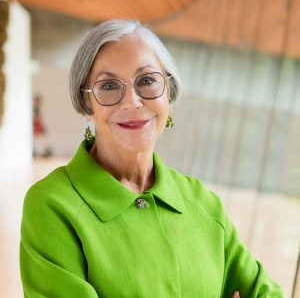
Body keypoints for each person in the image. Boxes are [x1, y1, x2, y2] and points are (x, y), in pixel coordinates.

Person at [20, 19, 283, 297]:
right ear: (87, 104)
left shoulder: (203, 203)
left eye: (146, 81)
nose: (132, 101)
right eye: (108, 86)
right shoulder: (51, 205)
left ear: (168, 94)